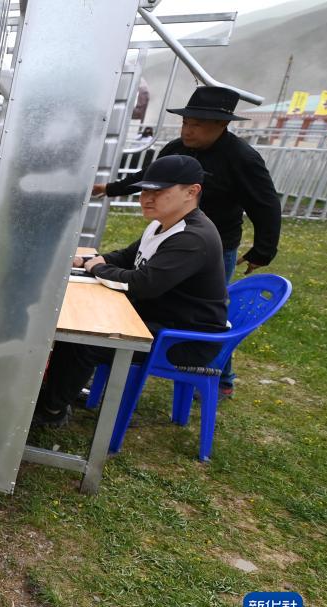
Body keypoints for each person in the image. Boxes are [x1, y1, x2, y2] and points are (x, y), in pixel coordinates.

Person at [92, 86, 282, 399]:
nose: (188, 130)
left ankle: (218, 377)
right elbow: (149, 176)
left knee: (206, 312)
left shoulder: (243, 158)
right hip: (172, 235)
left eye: (197, 125)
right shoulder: (176, 148)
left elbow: (266, 204)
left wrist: (262, 251)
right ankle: (137, 344)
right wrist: (112, 189)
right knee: (165, 295)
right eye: (185, 123)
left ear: (222, 125)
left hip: (215, 245)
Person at [33, 155, 228, 427]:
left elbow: (142, 284)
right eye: (145, 190)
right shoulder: (162, 223)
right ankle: (56, 393)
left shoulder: (193, 238)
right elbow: (127, 257)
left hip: (183, 340)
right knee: (77, 327)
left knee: (85, 340)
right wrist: (90, 260)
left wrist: (96, 268)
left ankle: (51, 410)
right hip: (155, 320)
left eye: (159, 191)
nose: (146, 198)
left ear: (191, 191)